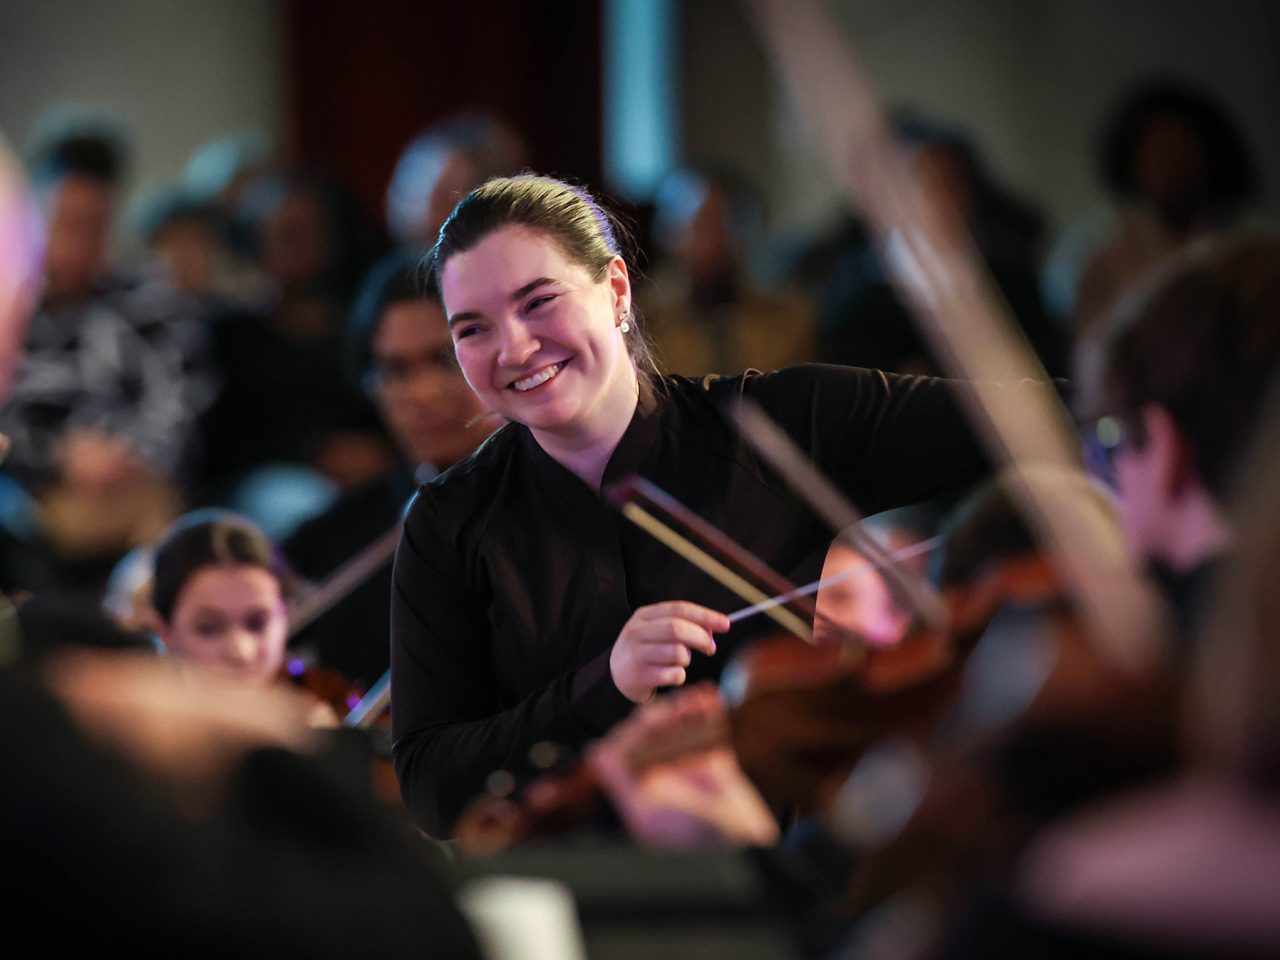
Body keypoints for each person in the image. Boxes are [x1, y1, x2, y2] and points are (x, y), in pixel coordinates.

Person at [390, 173, 1038, 838]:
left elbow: (1040, 426)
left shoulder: (777, 425)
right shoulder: (449, 522)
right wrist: (605, 685)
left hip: (774, 880)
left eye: (538, 302)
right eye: (473, 329)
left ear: (615, 289)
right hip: (571, 894)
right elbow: (432, 784)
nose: (514, 349)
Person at [283, 251, 494, 687]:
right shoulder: (334, 543)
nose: (423, 392)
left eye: (443, 360)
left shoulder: (569, 502)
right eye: (395, 371)